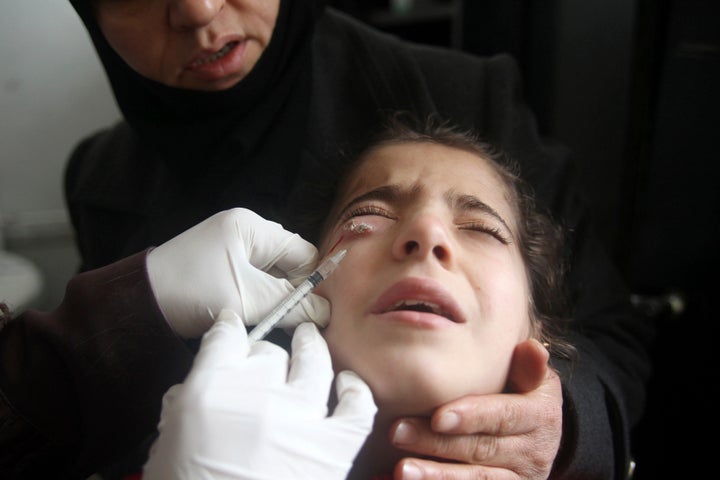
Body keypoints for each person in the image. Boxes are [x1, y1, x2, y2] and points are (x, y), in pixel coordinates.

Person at [0, 0, 653, 478]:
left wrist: (565, 426)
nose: (198, 11)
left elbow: (608, 332)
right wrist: (125, 314)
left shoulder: (464, 92)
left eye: (479, 226)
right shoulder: (97, 178)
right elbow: (68, 418)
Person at [142, 116, 577, 480]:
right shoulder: (193, 461)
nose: (427, 233)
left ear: (538, 330)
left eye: (482, 228)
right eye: (369, 216)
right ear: (299, 288)